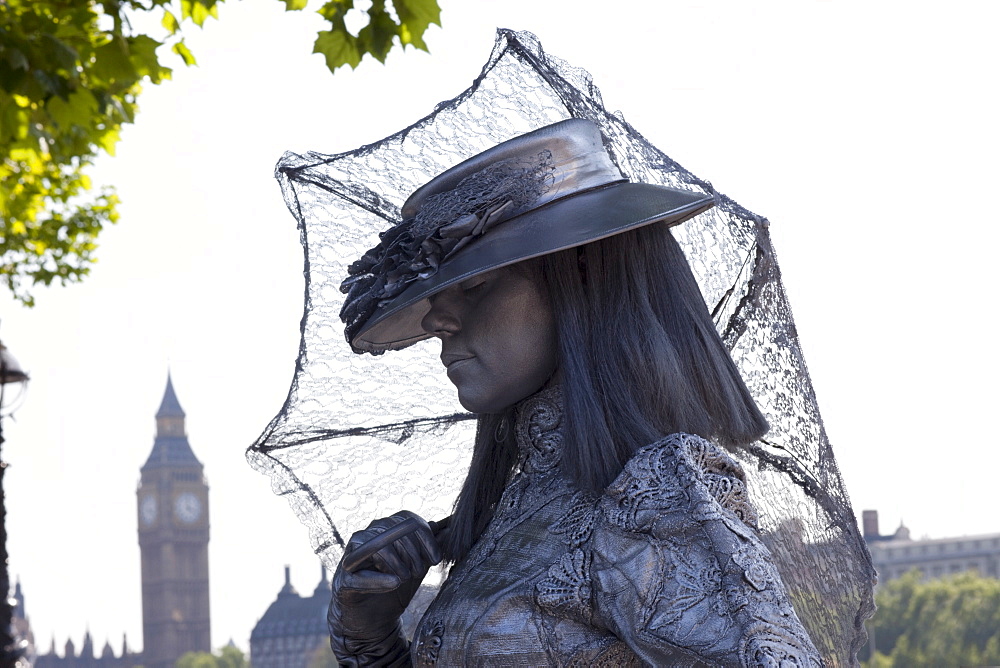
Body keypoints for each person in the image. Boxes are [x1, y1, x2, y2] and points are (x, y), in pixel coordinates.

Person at [328, 119, 823, 666]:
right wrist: (368, 639)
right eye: (440, 292)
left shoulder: (662, 490)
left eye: (474, 284)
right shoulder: (513, 508)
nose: (439, 318)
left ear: (579, 275)